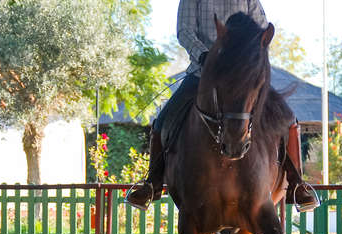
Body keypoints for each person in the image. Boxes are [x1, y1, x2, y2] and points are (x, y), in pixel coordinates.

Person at [126, 0, 319, 212]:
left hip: (243, 76)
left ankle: (297, 184)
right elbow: (185, 31)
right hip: (203, 74)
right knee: (163, 120)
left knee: (288, 119)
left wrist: (249, 57)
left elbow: (262, 28)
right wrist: (206, 56)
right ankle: (152, 183)